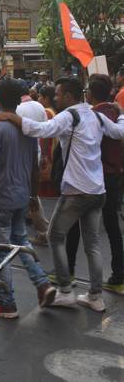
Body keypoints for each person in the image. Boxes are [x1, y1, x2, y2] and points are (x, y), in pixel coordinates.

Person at [0, 77, 124, 312]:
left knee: (55, 236)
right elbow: (119, 132)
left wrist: (12, 117)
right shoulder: (96, 115)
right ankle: (95, 296)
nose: (55, 98)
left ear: (68, 96)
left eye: (58, 94)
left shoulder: (69, 116)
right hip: (98, 190)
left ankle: (65, 290)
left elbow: (41, 129)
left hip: (77, 190)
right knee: (92, 244)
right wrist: (121, 111)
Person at [0, 79, 55, 318]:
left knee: (0, 251)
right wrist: (32, 194)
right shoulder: (26, 127)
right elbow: (33, 167)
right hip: (21, 195)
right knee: (20, 241)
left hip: (2, 196)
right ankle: (42, 283)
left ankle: (6, 301)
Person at [64, 75, 124, 293]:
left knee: (73, 224)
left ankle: (67, 271)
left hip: (95, 176)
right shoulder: (115, 112)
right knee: (111, 226)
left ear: (90, 93)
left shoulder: (94, 116)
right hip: (113, 175)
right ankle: (118, 276)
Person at [16, 81, 50, 246]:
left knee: (30, 193)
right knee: (29, 190)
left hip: (24, 155)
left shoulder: (18, 109)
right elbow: (44, 131)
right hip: (35, 151)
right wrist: (43, 154)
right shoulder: (38, 106)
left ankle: (43, 231)